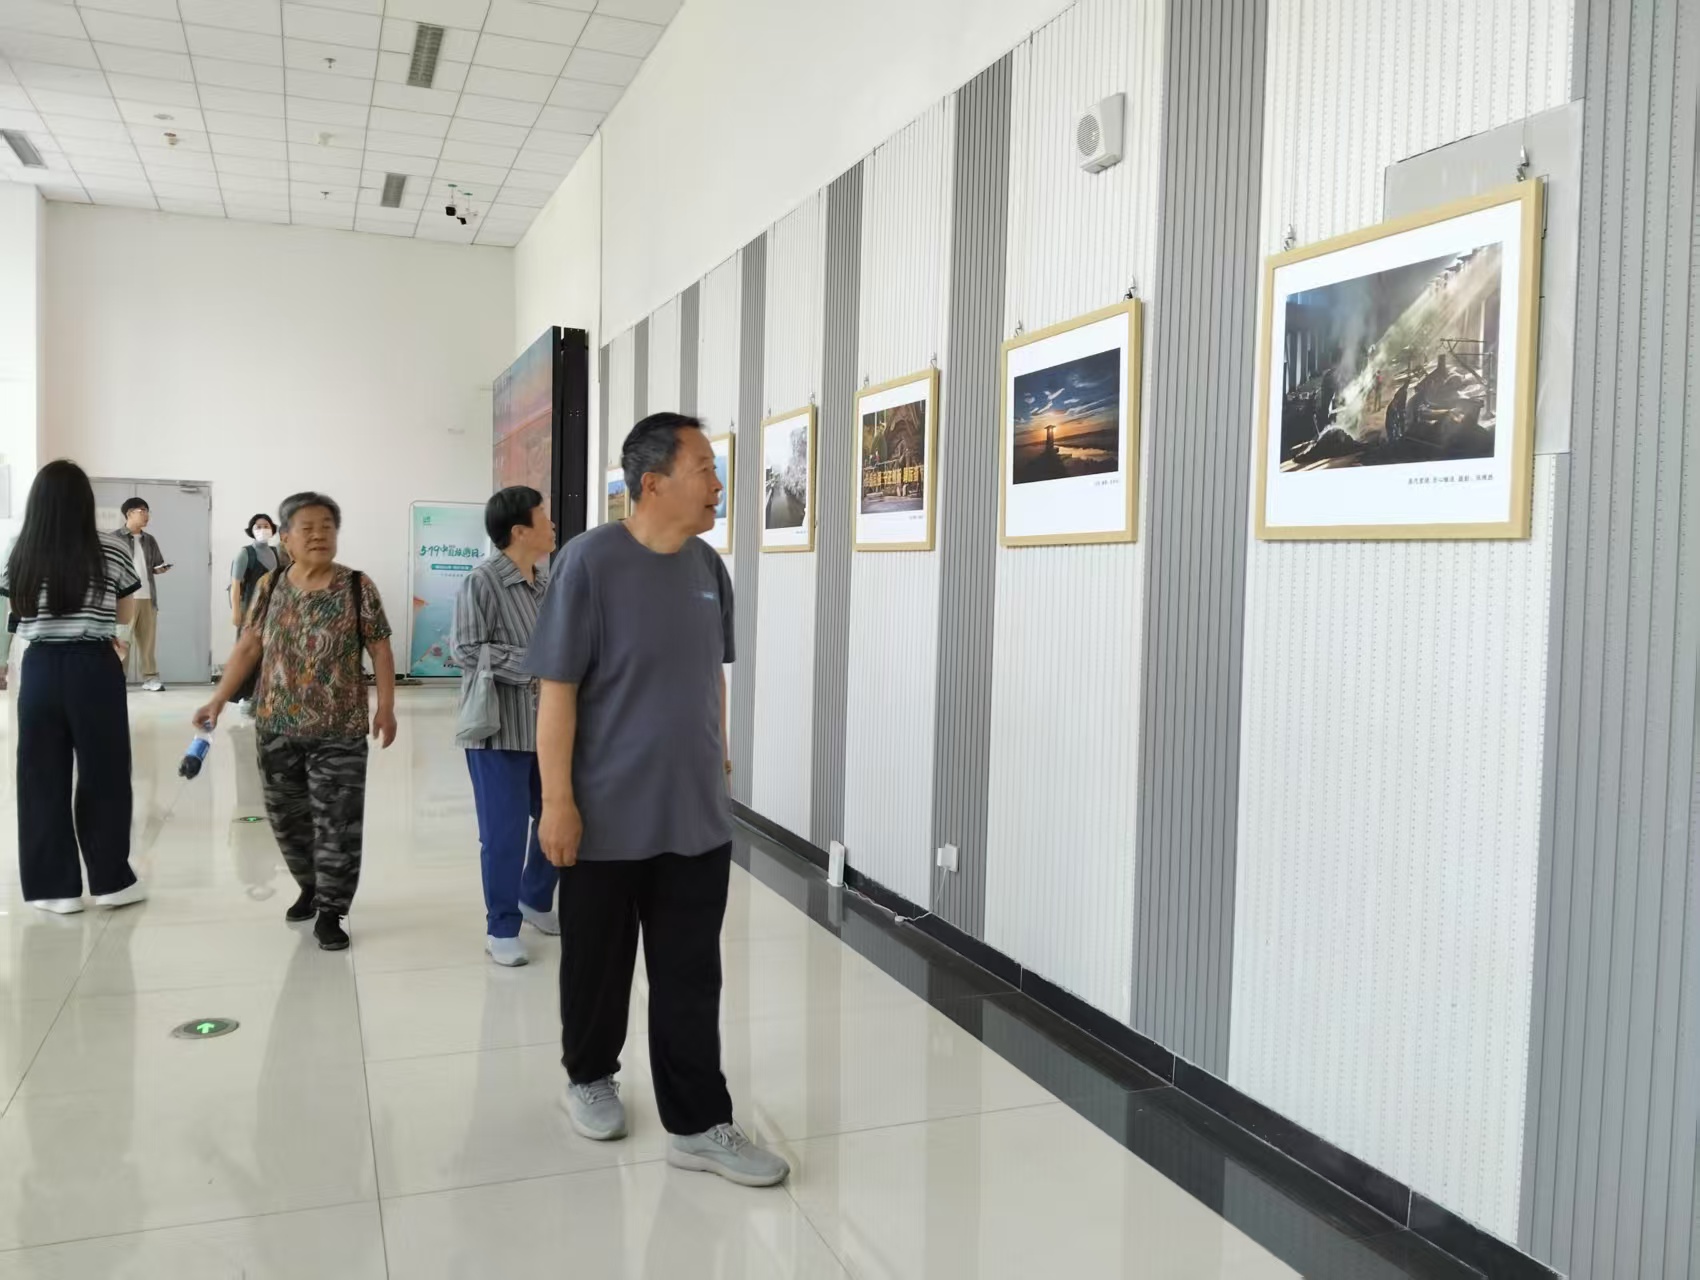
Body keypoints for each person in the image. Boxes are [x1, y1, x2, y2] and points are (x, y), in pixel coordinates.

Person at [528, 412, 788, 1187]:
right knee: (597, 965)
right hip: (604, 814)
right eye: (704, 467)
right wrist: (557, 801)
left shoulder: (708, 569)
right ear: (653, 483)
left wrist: (721, 760)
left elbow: (712, 677)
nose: (718, 483)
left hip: (695, 816)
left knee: (690, 975)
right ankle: (589, 1076)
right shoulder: (589, 563)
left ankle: (699, 1124)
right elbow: (556, 691)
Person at [193, 492, 397, 952]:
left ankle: (332, 910)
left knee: (338, 824)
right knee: (287, 821)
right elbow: (249, 646)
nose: (319, 535)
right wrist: (219, 700)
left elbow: (380, 648)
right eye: (307, 528)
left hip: (340, 728)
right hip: (276, 725)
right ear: (285, 537)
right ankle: (310, 884)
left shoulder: (357, 585)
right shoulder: (270, 586)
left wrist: (385, 707)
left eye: (327, 526)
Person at [0, 461, 148, 913]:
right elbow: (126, 609)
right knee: (105, 772)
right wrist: (114, 637)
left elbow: (12, 613)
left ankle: (53, 890)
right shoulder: (112, 548)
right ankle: (111, 882)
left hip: (40, 668)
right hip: (94, 666)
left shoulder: (20, 550)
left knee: (40, 775)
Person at [451, 485, 560, 967]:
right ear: (519, 530)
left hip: (549, 729)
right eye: (543, 516)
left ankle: (534, 897)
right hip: (498, 729)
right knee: (504, 833)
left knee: (558, 814)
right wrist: (535, 665)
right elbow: (465, 649)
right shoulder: (482, 582)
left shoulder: (545, 582)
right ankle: (501, 927)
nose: (552, 524)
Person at [114, 497, 170, 691]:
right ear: (129, 513)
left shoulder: (149, 540)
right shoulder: (114, 538)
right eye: (142, 511)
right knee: (121, 642)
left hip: (147, 597)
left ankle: (151, 679)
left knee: (148, 643)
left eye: (147, 511)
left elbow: (156, 565)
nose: (146, 515)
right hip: (124, 598)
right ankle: (117, 678)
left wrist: (160, 569)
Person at [230, 513, 280, 715]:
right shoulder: (245, 554)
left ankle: (264, 695)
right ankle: (244, 696)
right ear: (251, 530)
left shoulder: (277, 553)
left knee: (269, 653)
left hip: (273, 611)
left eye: (266, 526)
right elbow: (235, 585)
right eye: (258, 526)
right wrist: (236, 611)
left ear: (272, 529)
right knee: (247, 654)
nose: (262, 530)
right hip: (250, 612)